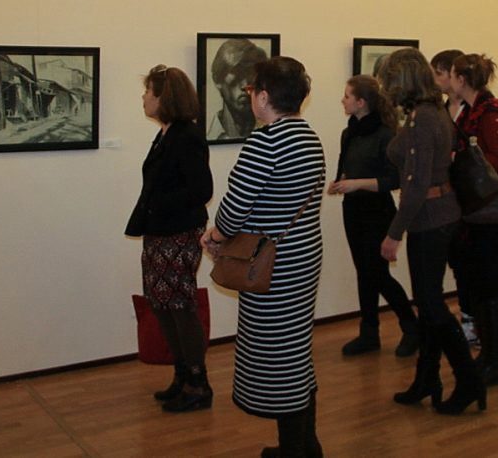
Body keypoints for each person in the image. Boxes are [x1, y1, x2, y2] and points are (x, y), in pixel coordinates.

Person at [201, 56, 326, 456]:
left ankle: (294, 451)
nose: (250, 96)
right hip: (302, 256)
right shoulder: (309, 137)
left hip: (271, 266)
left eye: (252, 89)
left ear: (264, 97)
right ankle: (306, 445)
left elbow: (234, 208)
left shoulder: (266, 141)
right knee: (295, 349)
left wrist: (214, 236)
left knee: (278, 357)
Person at [377, 48, 485, 415]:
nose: (386, 88)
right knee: (428, 304)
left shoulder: (423, 118)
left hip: (431, 219)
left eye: (390, 81)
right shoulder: (427, 112)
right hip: (438, 216)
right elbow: (400, 156)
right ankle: (427, 378)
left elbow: (416, 184)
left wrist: (394, 234)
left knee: (432, 305)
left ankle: (468, 380)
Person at [124, 65, 214, 412]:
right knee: (161, 304)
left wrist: (158, 204)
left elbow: (201, 190)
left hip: (178, 233)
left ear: (164, 97)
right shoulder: (167, 134)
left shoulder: (187, 135)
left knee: (180, 306)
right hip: (160, 231)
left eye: (148, 91)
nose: (143, 97)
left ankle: (198, 384)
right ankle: (181, 375)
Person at [328, 75, 419, 358]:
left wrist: (356, 183)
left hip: (377, 212)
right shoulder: (349, 132)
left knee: (377, 273)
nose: (342, 100)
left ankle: (411, 327)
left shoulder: (386, 134)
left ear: (361, 102)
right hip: (353, 210)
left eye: (347, 96)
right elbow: (346, 169)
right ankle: (369, 333)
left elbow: (393, 180)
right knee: (364, 272)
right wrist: (339, 183)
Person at [450, 53, 498, 387]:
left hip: (493, 214)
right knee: (480, 285)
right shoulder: (471, 111)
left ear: (462, 80)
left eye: (452, 75)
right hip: (478, 212)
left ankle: (496, 360)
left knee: (488, 286)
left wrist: (460, 157)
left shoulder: (489, 113)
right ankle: (489, 356)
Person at [430, 48, 477, 344]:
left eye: (438, 74)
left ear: (454, 75)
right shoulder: (442, 108)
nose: (435, 80)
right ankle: (467, 318)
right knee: (457, 263)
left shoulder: (478, 110)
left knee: (470, 265)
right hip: (449, 199)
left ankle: (476, 320)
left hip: (472, 200)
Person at [206, 38, 268, 140]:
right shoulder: (208, 136)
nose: (245, 85)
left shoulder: (268, 134)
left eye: (250, 75)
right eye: (237, 74)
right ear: (217, 80)